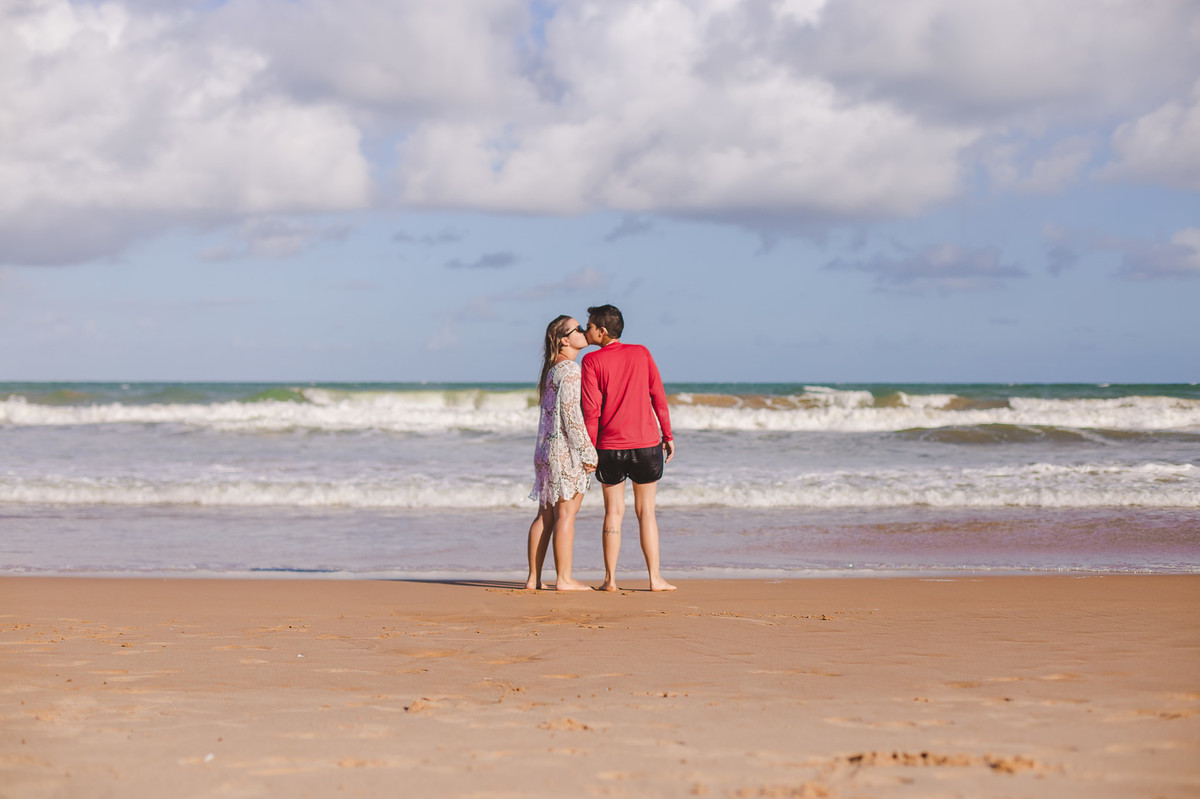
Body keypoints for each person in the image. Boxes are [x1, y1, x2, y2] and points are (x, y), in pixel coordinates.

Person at [580, 304, 677, 592]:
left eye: (589, 326)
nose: (586, 330)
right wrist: (668, 434)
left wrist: (589, 450)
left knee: (613, 513)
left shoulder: (591, 361)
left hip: (609, 448)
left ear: (602, 330)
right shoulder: (641, 353)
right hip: (646, 444)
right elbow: (658, 395)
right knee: (646, 512)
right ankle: (655, 579)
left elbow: (591, 412)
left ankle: (610, 580)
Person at [526, 315, 597, 591]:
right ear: (564, 340)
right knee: (566, 515)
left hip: (545, 451)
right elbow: (571, 416)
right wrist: (588, 453)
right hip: (564, 452)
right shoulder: (570, 369)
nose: (583, 331)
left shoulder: (552, 370)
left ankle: (533, 579)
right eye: (577, 329)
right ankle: (564, 579)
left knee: (544, 515)